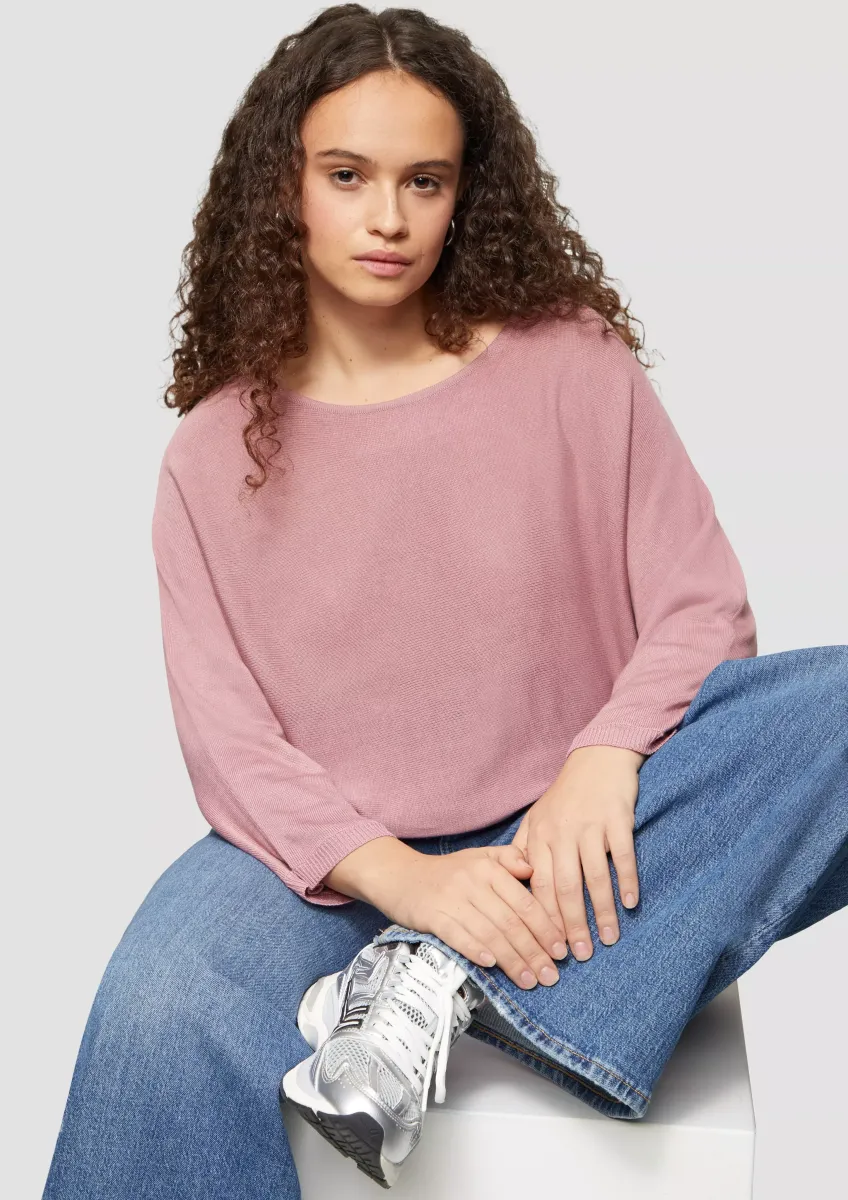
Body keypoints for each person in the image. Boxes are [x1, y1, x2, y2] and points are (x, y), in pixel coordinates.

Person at [42, 5, 848, 1197]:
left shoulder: (569, 361)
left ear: (464, 194)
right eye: (346, 176)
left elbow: (699, 607)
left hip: (572, 836)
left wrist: (603, 757)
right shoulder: (211, 451)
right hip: (330, 866)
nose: (387, 217)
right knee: (159, 1014)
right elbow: (229, 743)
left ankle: (441, 982)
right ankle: (442, 961)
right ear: (282, 187)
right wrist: (404, 881)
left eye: (423, 181)